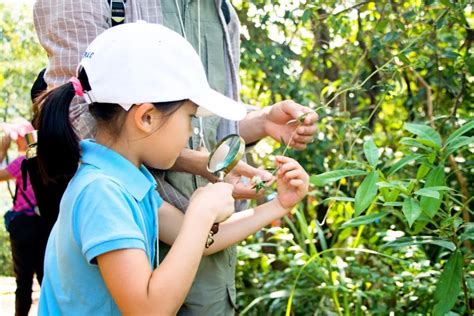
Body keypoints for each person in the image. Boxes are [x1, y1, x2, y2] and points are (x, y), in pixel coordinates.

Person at [33, 1, 317, 314]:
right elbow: (148, 309)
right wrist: (200, 212)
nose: (191, 133)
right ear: (147, 118)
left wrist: (277, 205)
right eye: (190, 118)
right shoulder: (101, 192)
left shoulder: (128, 182)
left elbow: (201, 240)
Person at [0, 119, 47, 316]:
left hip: (23, 226)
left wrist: (2, 150)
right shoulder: (46, 161)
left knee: (23, 281)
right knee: (45, 278)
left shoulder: (22, 162)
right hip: (44, 225)